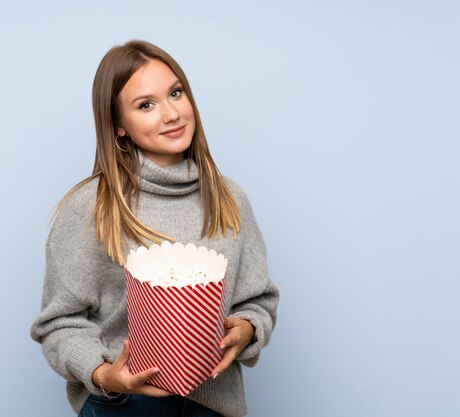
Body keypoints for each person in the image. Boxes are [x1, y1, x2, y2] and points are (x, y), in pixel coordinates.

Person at [30, 39, 279, 417]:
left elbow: (257, 301)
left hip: (215, 402)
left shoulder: (229, 199)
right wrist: (102, 374)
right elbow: (59, 323)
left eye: (176, 93)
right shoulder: (93, 208)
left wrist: (245, 329)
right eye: (146, 105)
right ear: (119, 127)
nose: (171, 114)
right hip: (123, 405)